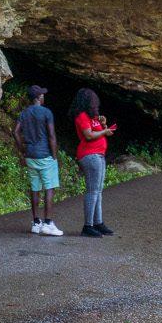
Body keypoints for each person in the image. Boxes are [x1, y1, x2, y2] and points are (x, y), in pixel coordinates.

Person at [13, 85, 63, 235]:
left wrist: (22, 148)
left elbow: (15, 132)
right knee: (49, 187)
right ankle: (48, 223)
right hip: (45, 155)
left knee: (35, 188)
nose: (43, 96)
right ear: (38, 97)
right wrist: (54, 156)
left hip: (30, 156)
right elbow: (52, 136)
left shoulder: (24, 113)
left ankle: (36, 223)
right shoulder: (46, 112)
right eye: (42, 94)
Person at [71, 87, 116, 238]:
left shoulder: (92, 116)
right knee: (92, 191)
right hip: (90, 155)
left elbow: (99, 131)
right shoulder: (81, 116)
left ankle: (98, 223)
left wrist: (103, 125)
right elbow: (89, 135)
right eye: (91, 101)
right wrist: (104, 132)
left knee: (98, 190)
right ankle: (87, 226)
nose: (94, 104)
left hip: (99, 155)